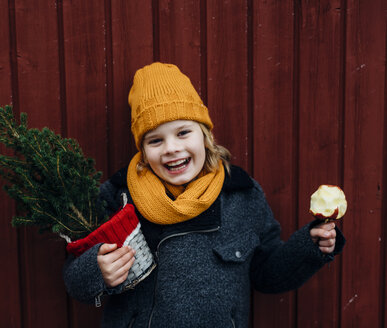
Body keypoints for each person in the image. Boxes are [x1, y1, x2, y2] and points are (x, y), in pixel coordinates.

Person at [63, 62, 345, 327]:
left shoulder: (241, 195)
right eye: (156, 140)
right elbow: (74, 278)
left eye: (183, 132)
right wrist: (97, 269)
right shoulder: (118, 197)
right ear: (143, 151)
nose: (171, 148)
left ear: (205, 135)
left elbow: (267, 275)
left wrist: (309, 246)